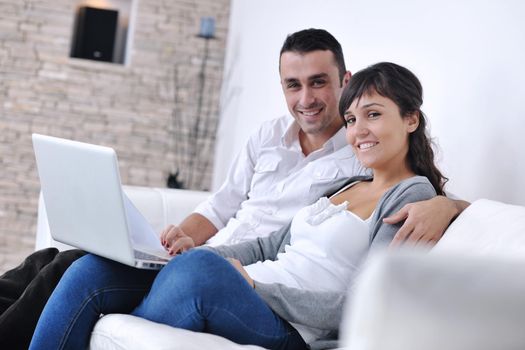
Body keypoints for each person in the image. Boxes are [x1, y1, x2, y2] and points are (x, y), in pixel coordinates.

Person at [1, 29, 465, 349]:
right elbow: (267, 242)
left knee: (199, 273)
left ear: (410, 118)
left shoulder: (411, 199)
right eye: (352, 118)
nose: (358, 130)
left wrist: (252, 285)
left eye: (374, 115)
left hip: (290, 325)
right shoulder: (350, 182)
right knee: (90, 268)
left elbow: (362, 306)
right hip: (240, 280)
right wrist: (199, 256)